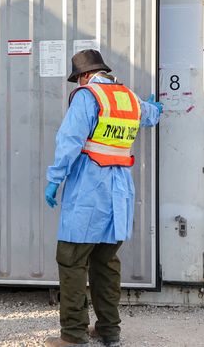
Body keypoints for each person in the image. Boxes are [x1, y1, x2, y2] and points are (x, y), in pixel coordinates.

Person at [43, 50, 162, 347]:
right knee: (106, 264)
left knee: (71, 260)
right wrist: (156, 108)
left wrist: (54, 179)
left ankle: (73, 335)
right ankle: (109, 332)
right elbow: (150, 114)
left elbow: (70, 140)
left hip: (88, 193)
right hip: (119, 195)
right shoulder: (128, 97)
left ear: (83, 76)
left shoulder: (88, 96)